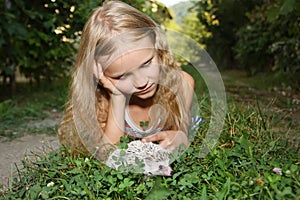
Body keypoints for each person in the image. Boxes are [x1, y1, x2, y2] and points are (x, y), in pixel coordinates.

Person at [58, 0, 195, 161]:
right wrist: (117, 97)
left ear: (157, 45)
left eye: (146, 63)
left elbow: (181, 134)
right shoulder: (102, 101)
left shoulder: (181, 85)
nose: (141, 82)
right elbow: (107, 155)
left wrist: (179, 137)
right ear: (98, 72)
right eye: (121, 76)